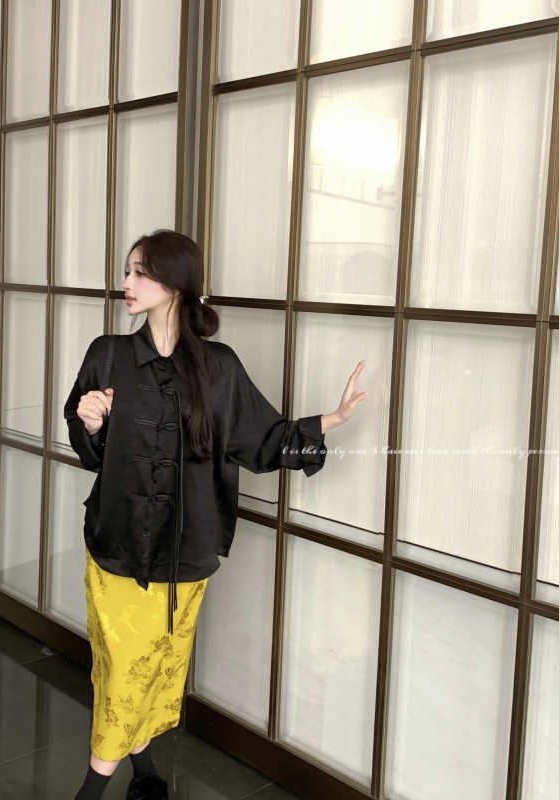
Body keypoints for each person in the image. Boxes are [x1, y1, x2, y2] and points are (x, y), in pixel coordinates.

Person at [64, 229, 368, 800]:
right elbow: (90, 451)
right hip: (117, 545)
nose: (126, 282)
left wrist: (329, 421)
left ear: (176, 283)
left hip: (186, 550)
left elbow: (263, 440)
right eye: (127, 271)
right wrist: (92, 423)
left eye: (139, 272)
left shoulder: (218, 368)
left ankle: (143, 767)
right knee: (122, 667)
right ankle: (94, 788)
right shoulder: (107, 355)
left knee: (157, 666)